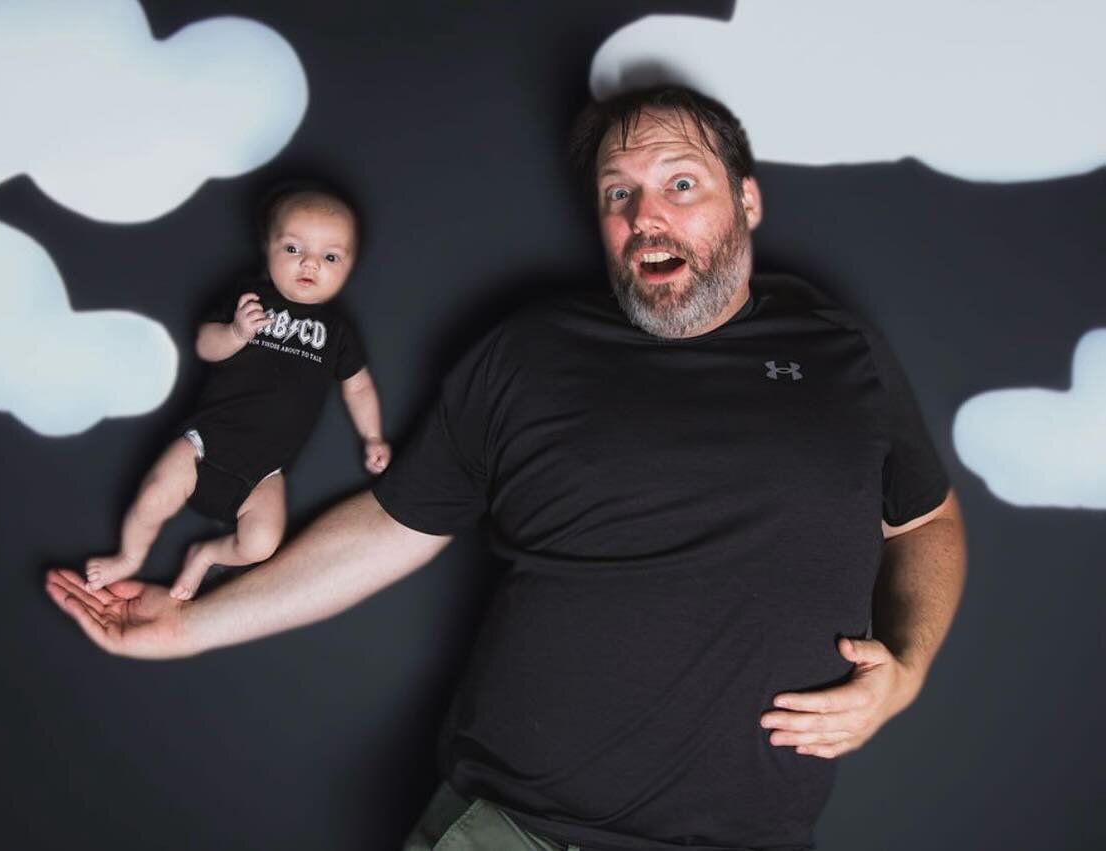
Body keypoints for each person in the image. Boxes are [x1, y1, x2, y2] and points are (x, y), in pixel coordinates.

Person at [47, 86, 966, 850]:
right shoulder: (532, 351)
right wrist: (191, 627)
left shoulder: (840, 350)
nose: (647, 216)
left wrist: (911, 669)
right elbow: (392, 525)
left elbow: (924, 521)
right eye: (618, 193)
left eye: (680, 183)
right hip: (512, 832)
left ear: (747, 200)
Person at [83, 186, 391, 602]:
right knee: (154, 495)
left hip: (263, 472)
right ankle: (129, 556)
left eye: (330, 257)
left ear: (349, 267)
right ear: (267, 248)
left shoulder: (337, 333)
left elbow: (359, 385)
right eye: (293, 248)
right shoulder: (249, 300)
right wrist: (235, 332)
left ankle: (207, 554)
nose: (310, 263)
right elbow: (204, 345)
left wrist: (372, 436)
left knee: (263, 543)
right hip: (204, 442)